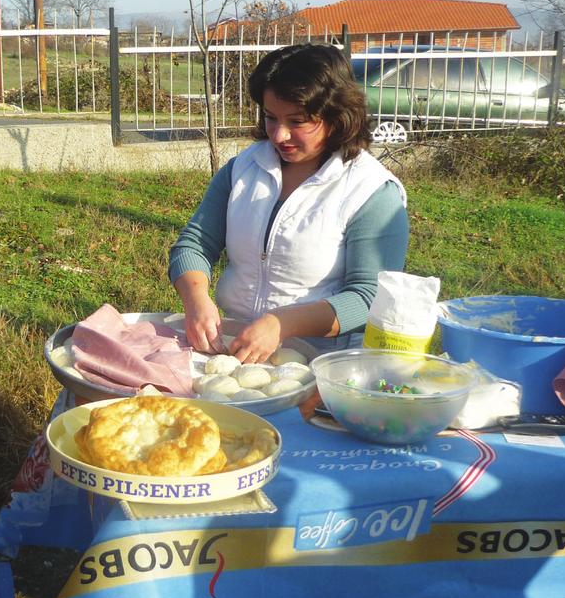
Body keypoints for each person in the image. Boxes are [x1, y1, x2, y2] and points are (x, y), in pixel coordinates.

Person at [169, 43, 409, 362]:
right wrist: (195, 298)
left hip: (320, 361)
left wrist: (283, 324)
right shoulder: (243, 170)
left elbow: (369, 297)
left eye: (297, 121)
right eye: (271, 117)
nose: (279, 135)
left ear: (337, 117)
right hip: (233, 346)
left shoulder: (371, 192)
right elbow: (194, 244)